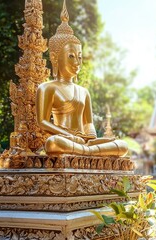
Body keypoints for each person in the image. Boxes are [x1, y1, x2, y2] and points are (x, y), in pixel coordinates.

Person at [36, 1, 127, 157]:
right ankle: (90, 152)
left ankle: (88, 151)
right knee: (52, 144)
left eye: (79, 57)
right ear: (54, 57)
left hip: (84, 142)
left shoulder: (83, 91)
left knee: (123, 145)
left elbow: (88, 122)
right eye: (71, 56)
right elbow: (42, 122)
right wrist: (69, 135)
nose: (77, 62)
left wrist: (90, 135)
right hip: (65, 139)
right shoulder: (47, 88)